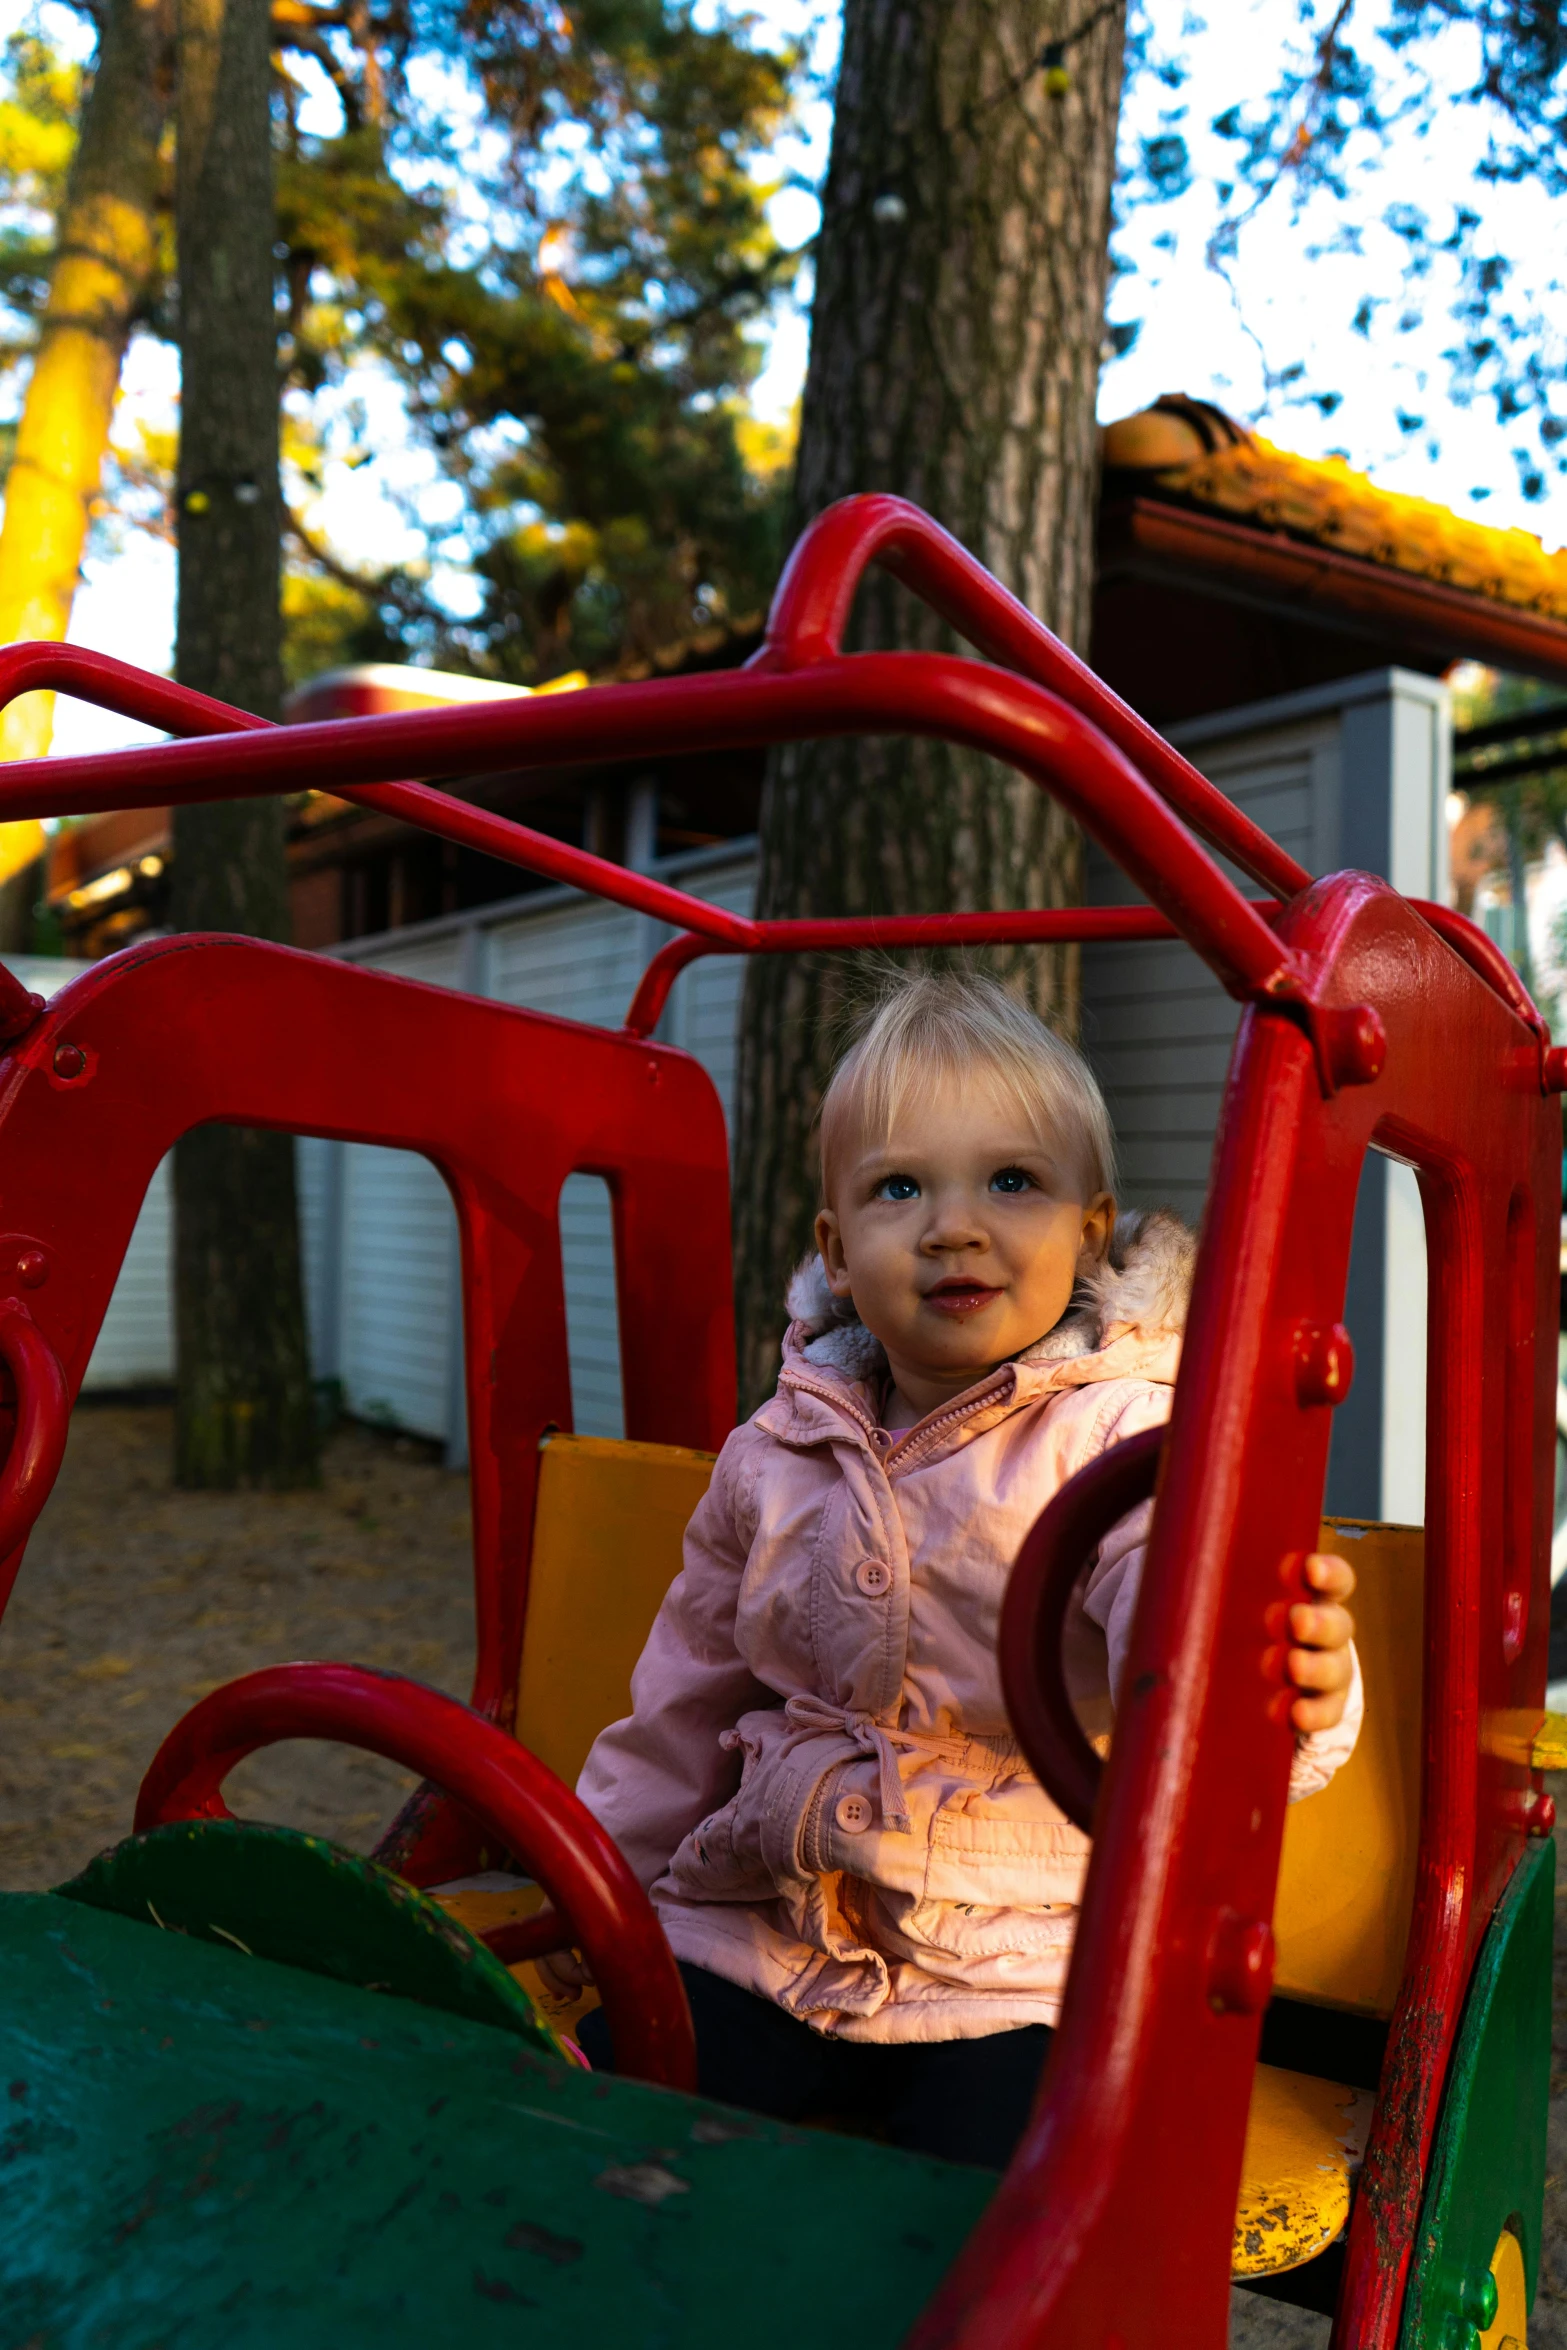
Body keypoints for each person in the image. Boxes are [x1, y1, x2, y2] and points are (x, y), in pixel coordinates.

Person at [554, 970, 1361, 2168]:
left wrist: (1276, 1664)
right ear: (836, 1251)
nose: (953, 1225)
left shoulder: (1126, 1443)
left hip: (1019, 1965)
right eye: (898, 1188)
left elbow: (1181, 1618)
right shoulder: (773, 1455)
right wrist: (600, 1892)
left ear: (1088, 1230)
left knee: (1000, 2209)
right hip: (769, 1926)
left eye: (1011, 1181)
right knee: (610, 2119)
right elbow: (683, 1701)